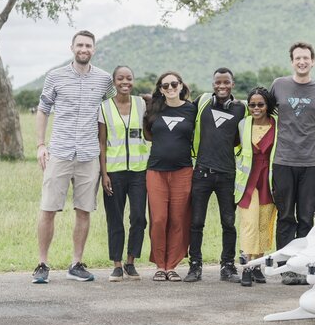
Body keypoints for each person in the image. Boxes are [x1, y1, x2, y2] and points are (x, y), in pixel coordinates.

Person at [32, 30, 114, 284]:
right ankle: (43, 263)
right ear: (72, 48)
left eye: (88, 45)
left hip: (89, 154)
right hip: (59, 152)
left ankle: (76, 263)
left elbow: (114, 109)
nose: (83, 49)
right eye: (79, 44)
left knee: (84, 210)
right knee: (48, 209)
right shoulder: (55, 76)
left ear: (94, 49)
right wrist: (41, 144)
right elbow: (43, 110)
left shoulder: (104, 79)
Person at [269, 42, 315, 285]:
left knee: (306, 217)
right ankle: (286, 267)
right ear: (291, 61)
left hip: (311, 162)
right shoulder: (279, 85)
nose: (302, 62)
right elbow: (263, 110)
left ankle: (303, 266)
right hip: (283, 160)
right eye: (297, 58)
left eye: (306, 58)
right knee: (285, 216)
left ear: (313, 61)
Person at [184, 68, 246, 283]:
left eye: (226, 82)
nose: (222, 86)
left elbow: (243, 136)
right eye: (218, 82)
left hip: (228, 174)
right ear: (212, 84)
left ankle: (228, 267)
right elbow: (182, 113)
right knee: (196, 222)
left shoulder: (241, 109)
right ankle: (195, 266)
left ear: (232, 84)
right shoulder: (202, 103)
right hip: (201, 172)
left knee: (228, 223)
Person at [98, 66, 149, 282]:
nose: (125, 82)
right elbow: (101, 142)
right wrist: (104, 173)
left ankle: (131, 262)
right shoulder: (104, 107)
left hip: (139, 172)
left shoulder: (142, 103)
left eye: (129, 78)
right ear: (114, 82)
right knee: (115, 219)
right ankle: (117, 265)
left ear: (133, 80)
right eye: (120, 78)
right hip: (115, 172)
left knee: (138, 217)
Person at [144, 72, 195, 282]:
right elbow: (148, 133)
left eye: (174, 84)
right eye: (165, 86)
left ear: (181, 85)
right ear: (161, 89)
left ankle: (172, 265)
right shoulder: (154, 109)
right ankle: (159, 265)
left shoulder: (192, 109)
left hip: (183, 171)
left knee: (178, 219)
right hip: (156, 170)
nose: (170, 88)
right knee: (158, 219)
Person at [236, 87, 278, 287]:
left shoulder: (277, 125)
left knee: (264, 224)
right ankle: (245, 267)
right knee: (249, 223)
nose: (256, 108)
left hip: (268, 181)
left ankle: (257, 266)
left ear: (267, 105)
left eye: (260, 104)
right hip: (248, 182)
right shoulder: (243, 125)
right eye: (251, 104)